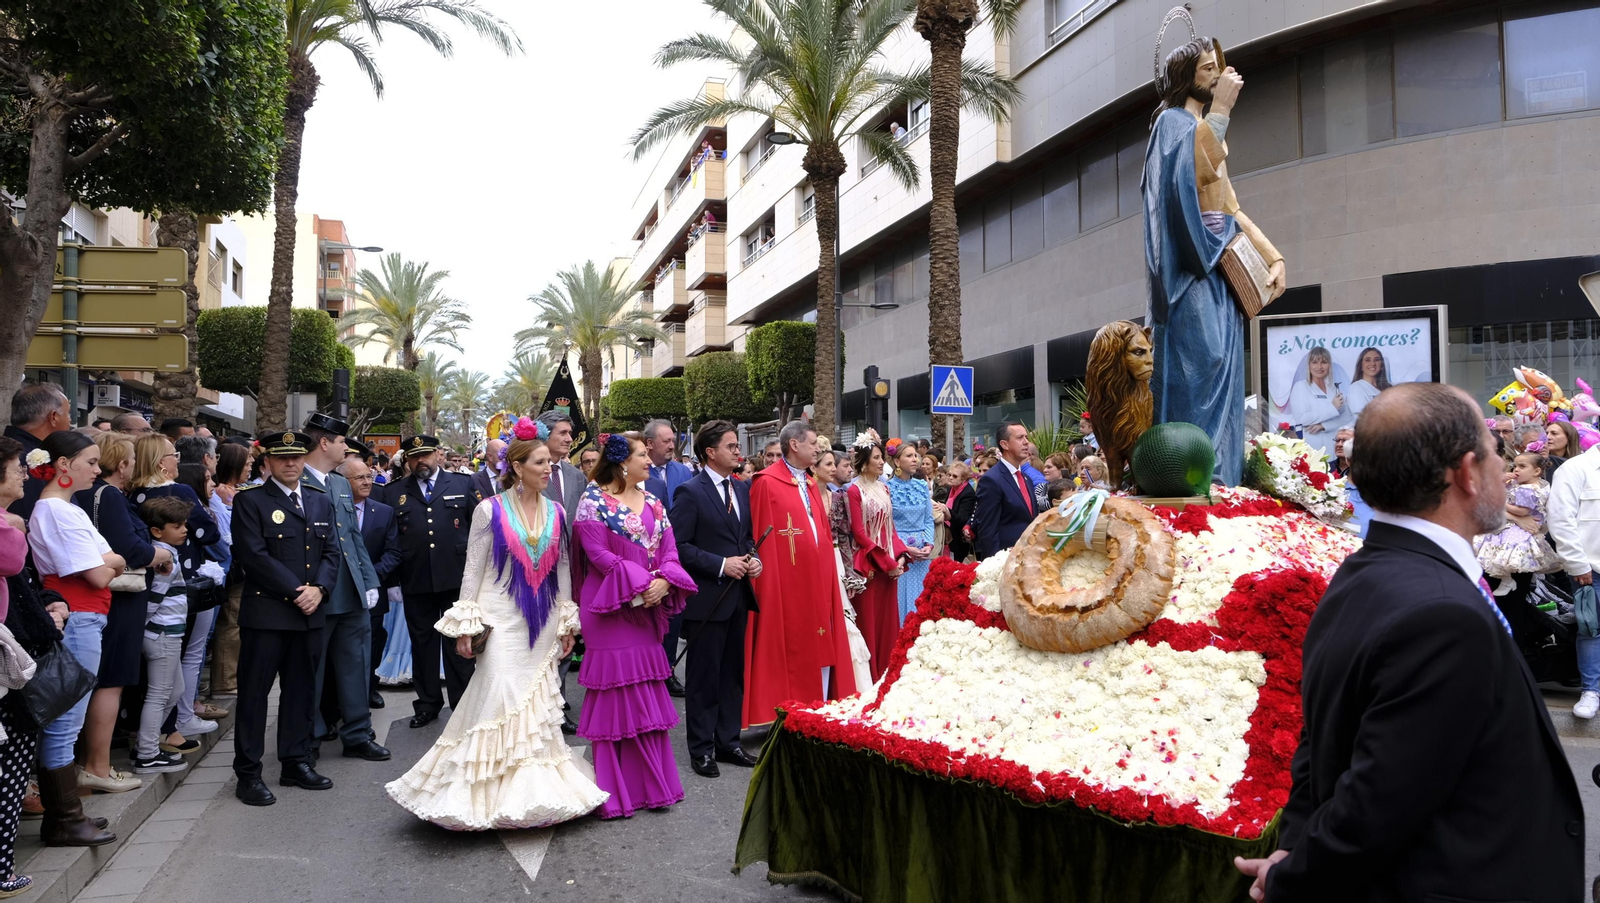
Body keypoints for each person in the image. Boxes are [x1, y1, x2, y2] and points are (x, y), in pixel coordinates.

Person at [1239, 382, 1583, 898]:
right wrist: (1292, 874)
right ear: (1466, 473)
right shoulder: (1442, 615)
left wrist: (1293, 844)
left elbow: (1324, 743)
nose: (1505, 469)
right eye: (1493, 454)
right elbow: (1381, 795)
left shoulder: (1360, 572)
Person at [387, 418, 605, 828]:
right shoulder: (488, 509)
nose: (547, 469)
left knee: (537, 702)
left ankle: (532, 791)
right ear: (518, 467)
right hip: (500, 619)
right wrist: (466, 624)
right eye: (539, 462)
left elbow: (560, 570)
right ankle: (482, 790)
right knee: (499, 695)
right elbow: (473, 570)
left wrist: (567, 621)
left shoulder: (557, 511)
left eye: (548, 462)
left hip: (540, 623)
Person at [1144, 37, 1285, 486]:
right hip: (1193, 269)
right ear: (1186, 76)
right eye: (1207, 69)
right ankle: (1190, 476)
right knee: (1200, 368)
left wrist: (1271, 256)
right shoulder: (1170, 123)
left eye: (1216, 68)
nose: (1216, 76)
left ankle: (1222, 477)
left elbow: (1230, 207)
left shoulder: (1202, 128)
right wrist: (1221, 112)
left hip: (1221, 269)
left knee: (1225, 370)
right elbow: (1183, 178)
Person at [574, 433, 696, 818]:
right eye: (643, 454)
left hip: (644, 610)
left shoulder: (656, 501)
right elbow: (598, 555)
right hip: (609, 609)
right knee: (614, 701)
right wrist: (645, 583)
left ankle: (653, 788)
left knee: (645, 697)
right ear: (622, 462)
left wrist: (665, 580)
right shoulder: (592, 501)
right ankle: (616, 794)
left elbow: (671, 551)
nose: (650, 460)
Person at [229, 431, 340, 807]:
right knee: (255, 696)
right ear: (268, 463)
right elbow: (254, 556)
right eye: (282, 458)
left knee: (301, 691)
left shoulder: (319, 501)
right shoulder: (251, 501)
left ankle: (295, 762)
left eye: (296, 458)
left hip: (310, 613)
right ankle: (248, 773)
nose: (291, 464)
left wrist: (320, 590)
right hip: (269, 613)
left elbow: (332, 553)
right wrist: (298, 591)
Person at [26, 430, 122, 845]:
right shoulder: (55, 511)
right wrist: (114, 560)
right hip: (78, 617)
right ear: (64, 465)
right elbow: (102, 570)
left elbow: (105, 562)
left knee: (69, 719)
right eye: (90, 462)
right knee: (66, 722)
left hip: (86, 616)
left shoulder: (66, 508)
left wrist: (109, 560)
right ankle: (64, 819)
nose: (97, 470)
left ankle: (67, 815)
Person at [744, 421, 859, 727]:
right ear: (794, 445)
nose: (817, 450)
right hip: (786, 580)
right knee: (791, 641)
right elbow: (761, 537)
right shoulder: (766, 482)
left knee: (821, 637)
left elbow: (819, 529)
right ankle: (787, 709)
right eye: (812, 445)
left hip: (816, 576)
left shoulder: (808, 482)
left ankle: (815, 706)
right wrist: (767, 583)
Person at [73, 431, 170, 794]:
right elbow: (129, 548)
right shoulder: (110, 496)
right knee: (110, 681)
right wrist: (161, 554)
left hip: (103, 596)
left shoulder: (90, 494)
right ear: (123, 463)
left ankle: (91, 764)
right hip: (119, 597)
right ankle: (97, 765)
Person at [670, 421, 762, 779]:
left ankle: (728, 741)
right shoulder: (690, 493)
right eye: (731, 446)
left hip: (738, 597)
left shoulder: (741, 491)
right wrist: (722, 564)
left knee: (731, 675)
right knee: (704, 677)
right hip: (707, 599)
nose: (738, 452)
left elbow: (746, 538)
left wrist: (752, 558)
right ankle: (701, 749)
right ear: (711, 452)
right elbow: (678, 547)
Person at [0, 435, 70, 895]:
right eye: (15, 467)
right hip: (7, 664)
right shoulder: (7, 528)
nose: (24, 474)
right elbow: (12, 561)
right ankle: (2, 870)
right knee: (10, 764)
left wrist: (53, 602)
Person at [298, 414, 387, 762]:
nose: (345, 447)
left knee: (356, 665)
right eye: (340, 441)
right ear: (324, 443)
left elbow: (352, 537)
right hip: (318, 591)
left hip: (350, 590)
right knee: (312, 671)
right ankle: (309, 737)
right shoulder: (298, 481)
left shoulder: (337, 483)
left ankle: (357, 733)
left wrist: (369, 580)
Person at [382, 435, 480, 729]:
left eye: (425, 455)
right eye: (414, 457)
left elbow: (479, 531)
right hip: (416, 579)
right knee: (422, 644)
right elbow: (392, 539)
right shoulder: (394, 492)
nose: (420, 461)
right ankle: (427, 704)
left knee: (458, 644)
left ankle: (463, 704)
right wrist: (392, 582)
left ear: (438, 455)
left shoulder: (463, 484)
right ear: (407, 460)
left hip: (456, 578)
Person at [131, 435, 223, 745]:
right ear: (161, 462)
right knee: (191, 654)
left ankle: (168, 728)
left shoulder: (132, 495)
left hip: (150, 591)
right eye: (173, 455)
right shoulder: (181, 491)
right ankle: (179, 722)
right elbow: (209, 533)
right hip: (186, 585)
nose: (178, 462)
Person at [132, 496, 195, 775]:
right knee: (159, 694)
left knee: (175, 691)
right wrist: (143, 627)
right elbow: (153, 599)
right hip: (162, 633)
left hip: (167, 632)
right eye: (177, 525)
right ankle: (147, 753)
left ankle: (147, 741)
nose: (184, 530)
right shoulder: (163, 558)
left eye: (185, 524)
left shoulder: (165, 551)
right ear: (157, 530)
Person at [537, 410, 585, 734]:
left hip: (571, 572)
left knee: (565, 641)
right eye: (564, 433)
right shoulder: (530, 472)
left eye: (570, 433)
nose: (570, 439)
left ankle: (558, 707)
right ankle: (537, 711)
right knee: (540, 645)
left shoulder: (577, 476)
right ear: (546, 435)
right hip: (537, 572)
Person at [342, 458, 401, 709]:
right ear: (343, 482)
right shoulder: (332, 510)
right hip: (340, 591)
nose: (367, 482)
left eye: (369, 476)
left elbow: (394, 552)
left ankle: (368, 689)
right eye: (360, 478)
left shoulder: (383, 511)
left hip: (373, 591)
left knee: (373, 643)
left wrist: (370, 577)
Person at [846, 438, 906, 680]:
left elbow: (890, 528)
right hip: (870, 563)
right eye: (877, 458)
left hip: (889, 562)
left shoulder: (885, 488)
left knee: (888, 620)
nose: (882, 463)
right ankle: (869, 676)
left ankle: (887, 672)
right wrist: (887, 563)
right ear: (864, 463)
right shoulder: (854, 490)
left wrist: (899, 557)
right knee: (870, 620)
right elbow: (859, 533)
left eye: (882, 457)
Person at [643, 419, 693, 694]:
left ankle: (668, 671)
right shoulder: (638, 473)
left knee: (674, 618)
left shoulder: (683, 471)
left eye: (673, 440)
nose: (673, 445)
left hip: (677, 554)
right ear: (649, 444)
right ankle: (648, 672)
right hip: (648, 556)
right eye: (666, 441)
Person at [1474, 451, 1561, 588]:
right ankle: (1506, 580)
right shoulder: (1527, 485)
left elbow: (1522, 511)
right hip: (1515, 525)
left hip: (1519, 529)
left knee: (1508, 555)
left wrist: (1500, 502)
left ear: (1536, 471)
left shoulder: (1528, 489)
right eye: (1515, 466)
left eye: (1522, 466)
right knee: (1501, 553)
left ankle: (1507, 580)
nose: (1516, 470)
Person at [208, 441, 250, 698]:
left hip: (240, 566)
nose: (251, 467)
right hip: (232, 567)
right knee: (231, 622)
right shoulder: (224, 493)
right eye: (247, 464)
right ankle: (225, 681)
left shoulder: (241, 489)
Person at [884, 439, 934, 624]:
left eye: (916, 456)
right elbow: (887, 524)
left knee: (921, 601)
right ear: (897, 461)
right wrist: (903, 549)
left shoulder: (922, 486)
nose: (915, 460)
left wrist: (929, 544)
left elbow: (928, 518)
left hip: (922, 554)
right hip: (899, 552)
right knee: (900, 600)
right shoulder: (887, 488)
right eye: (909, 456)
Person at [5, 383, 72, 520]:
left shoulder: (14, 451)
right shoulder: (21, 459)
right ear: (54, 417)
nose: (70, 421)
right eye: (68, 413)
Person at [974, 422, 1037, 560]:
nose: (1026, 442)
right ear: (1004, 444)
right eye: (1020, 438)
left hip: (1028, 557)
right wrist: (994, 564)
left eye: (1026, 437)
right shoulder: (991, 480)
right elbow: (987, 530)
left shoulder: (1027, 479)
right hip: (1004, 559)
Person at [1288, 347, 1349, 460]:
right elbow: (1301, 419)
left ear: (1329, 365)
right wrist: (1332, 407)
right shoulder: (1301, 387)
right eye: (1315, 362)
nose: (1319, 367)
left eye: (1324, 362)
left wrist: (1324, 426)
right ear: (1309, 365)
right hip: (1312, 453)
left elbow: (1346, 417)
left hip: (1334, 453)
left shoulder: (1333, 388)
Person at [1346, 347, 1391, 415]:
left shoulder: (1390, 388)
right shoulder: (1356, 388)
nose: (1373, 363)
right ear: (1361, 366)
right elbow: (1360, 419)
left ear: (1382, 365)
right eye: (1367, 360)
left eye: (1377, 360)